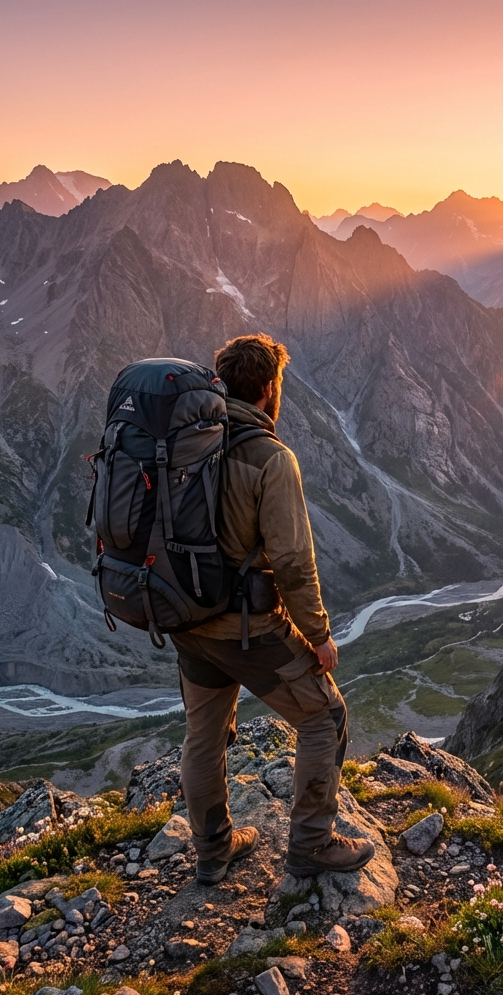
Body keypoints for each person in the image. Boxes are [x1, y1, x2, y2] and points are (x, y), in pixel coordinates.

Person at [170, 333, 375, 884]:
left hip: (188, 623)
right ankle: (311, 844)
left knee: (204, 738)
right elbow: (292, 562)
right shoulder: (270, 458)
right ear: (269, 389)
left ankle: (212, 853)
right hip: (250, 628)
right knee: (324, 719)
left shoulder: (184, 444)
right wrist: (319, 636)